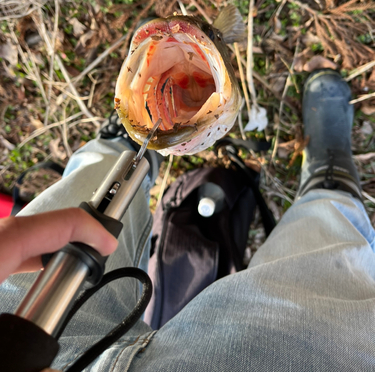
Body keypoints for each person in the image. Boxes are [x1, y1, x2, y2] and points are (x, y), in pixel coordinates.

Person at [0, 69, 374, 371]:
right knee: (328, 268)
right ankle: (330, 185)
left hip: (16, 332)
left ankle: (132, 137)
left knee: (88, 189)